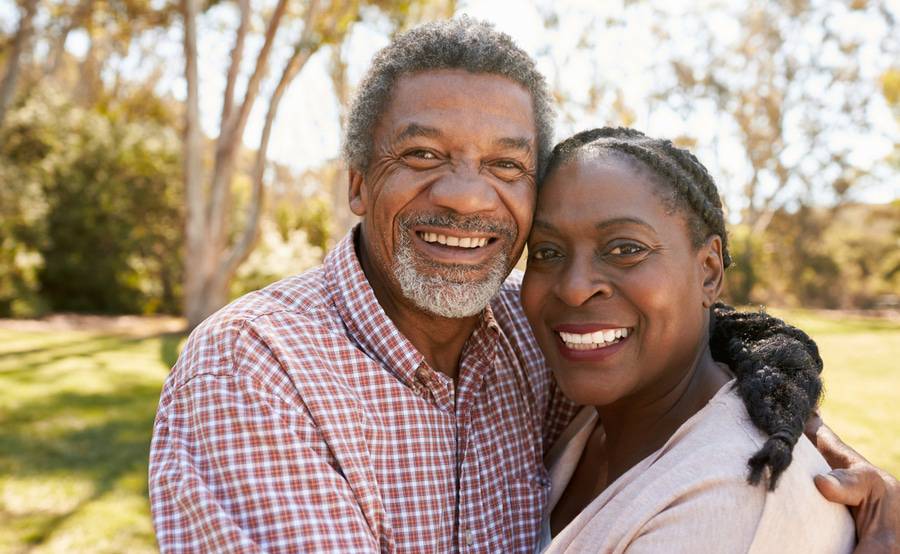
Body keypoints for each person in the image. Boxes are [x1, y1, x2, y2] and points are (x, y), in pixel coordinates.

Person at [148, 18, 900, 553]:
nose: (469, 198)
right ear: (355, 184)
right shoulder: (254, 368)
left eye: (507, 166)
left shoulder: (530, 336)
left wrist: (806, 432)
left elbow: (686, 353)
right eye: (421, 153)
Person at [521, 127, 857, 552]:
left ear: (709, 271)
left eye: (625, 248)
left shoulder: (734, 498)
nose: (573, 288)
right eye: (547, 252)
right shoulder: (588, 424)